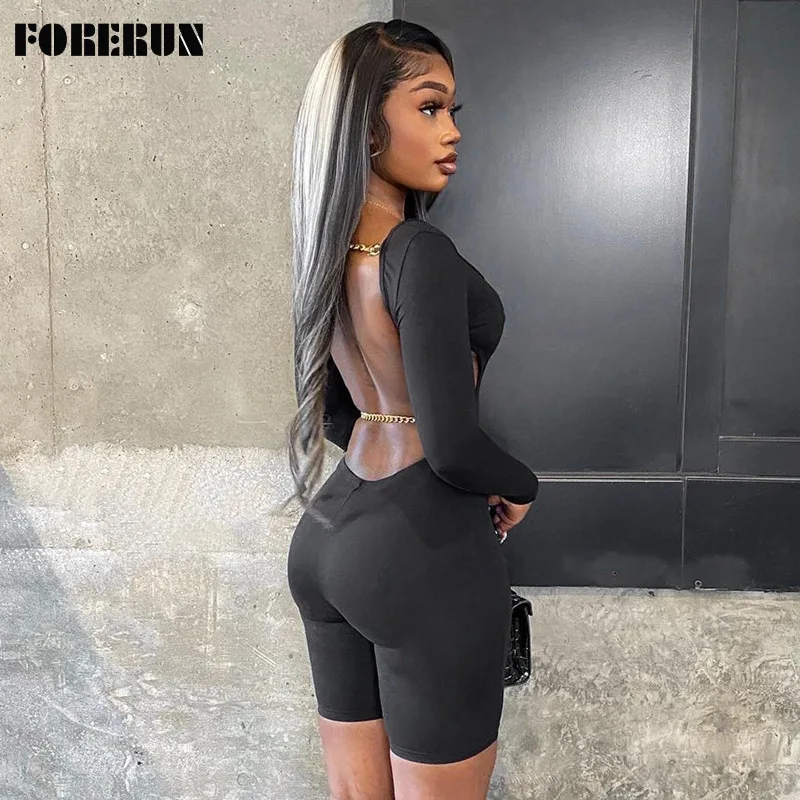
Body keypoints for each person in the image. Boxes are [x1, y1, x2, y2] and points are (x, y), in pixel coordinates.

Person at [281, 18, 539, 800]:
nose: (451, 130)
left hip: (329, 539)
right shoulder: (419, 254)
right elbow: (453, 446)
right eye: (429, 107)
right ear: (367, 128)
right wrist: (521, 485)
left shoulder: (327, 252)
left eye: (453, 109)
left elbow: (337, 416)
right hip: (419, 551)